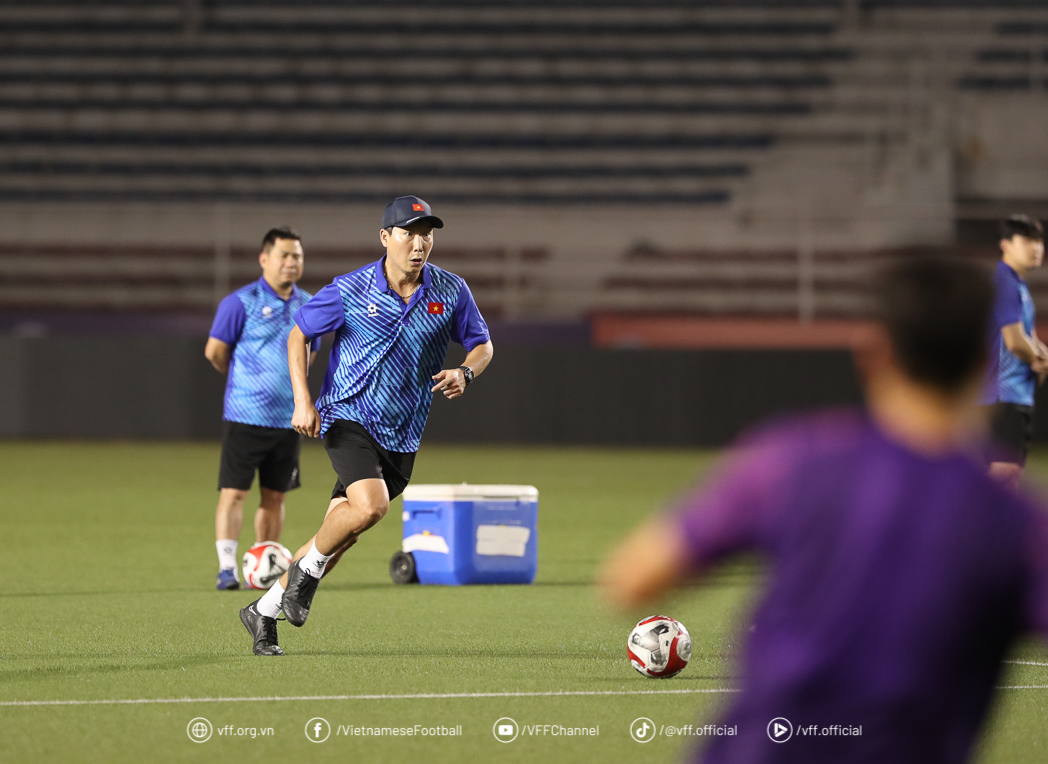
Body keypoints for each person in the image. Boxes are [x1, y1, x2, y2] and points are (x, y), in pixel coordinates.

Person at [601, 258, 1048, 763]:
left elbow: (631, 579)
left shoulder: (790, 460)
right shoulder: (1016, 520)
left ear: (874, 355)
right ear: (985, 365)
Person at [239, 195, 494, 655]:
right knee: (372, 507)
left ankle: (265, 609)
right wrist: (302, 399)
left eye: (426, 233)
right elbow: (299, 334)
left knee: (343, 531)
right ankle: (303, 583)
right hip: (347, 415)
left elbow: (483, 344)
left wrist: (466, 371)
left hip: (403, 432)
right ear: (385, 237)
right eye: (408, 233)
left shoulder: (451, 291)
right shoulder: (350, 289)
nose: (419, 243)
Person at [204, 227, 319, 590]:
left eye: (296, 256)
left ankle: (264, 560)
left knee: (275, 495)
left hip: (288, 419)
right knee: (234, 492)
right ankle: (226, 568)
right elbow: (215, 352)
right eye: (284, 255)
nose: (291, 262)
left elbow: (309, 354)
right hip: (245, 416)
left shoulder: (309, 305)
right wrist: (247, 384)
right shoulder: (240, 302)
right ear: (264, 259)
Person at [982, 215, 1048, 486]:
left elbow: (1028, 337)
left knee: (1004, 478)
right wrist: (1039, 360)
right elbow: (1015, 341)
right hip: (1004, 394)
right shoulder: (1006, 283)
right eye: (1027, 240)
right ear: (1006, 245)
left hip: (1009, 396)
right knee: (1003, 480)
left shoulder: (1015, 285)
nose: (1036, 248)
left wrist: (1041, 355)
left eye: (1039, 241)